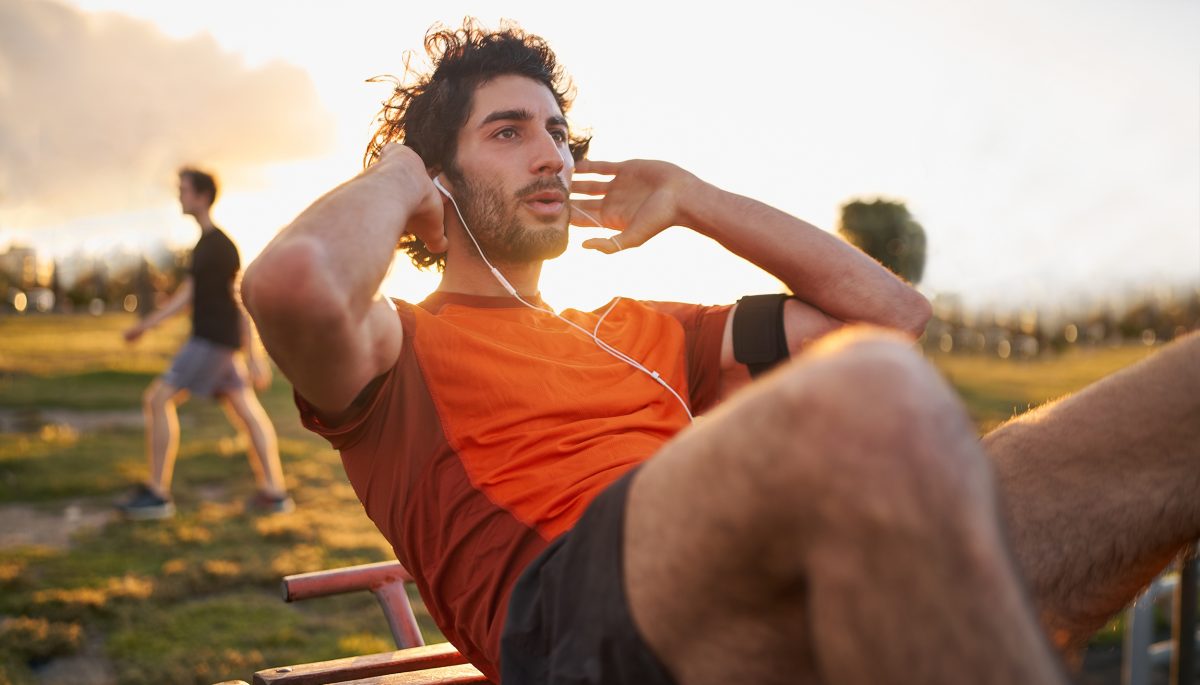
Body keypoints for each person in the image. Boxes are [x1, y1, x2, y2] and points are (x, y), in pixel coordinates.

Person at [241, 20, 1200, 685]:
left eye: (559, 132)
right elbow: (293, 286)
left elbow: (890, 313)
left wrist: (697, 197)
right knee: (863, 395)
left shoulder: (642, 326)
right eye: (508, 132)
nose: (554, 156)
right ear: (440, 185)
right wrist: (405, 166)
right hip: (571, 617)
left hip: (766, 575)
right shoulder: (398, 346)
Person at [120, 167, 294, 520]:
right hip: (219, 343)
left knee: (157, 399)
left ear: (201, 195)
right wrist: (148, 325)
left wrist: (254, 355)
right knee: (247, 412)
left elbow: (235, 299)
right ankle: (275, 493)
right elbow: (192, 295)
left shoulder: (219, 246)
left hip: (212, 341)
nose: (179, 196)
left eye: (183, 189)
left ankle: (157, 495)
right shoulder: (205, 246)